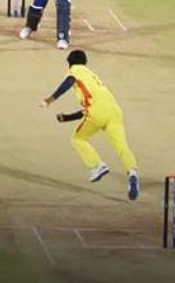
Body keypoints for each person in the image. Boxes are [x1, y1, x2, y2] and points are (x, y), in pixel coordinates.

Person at [39, 50, 140, 200]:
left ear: (69, 63)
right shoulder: (91, 75)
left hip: (96, 113)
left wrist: (50, 99)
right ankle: (132, 173)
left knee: (77, 139)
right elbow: (90, 107)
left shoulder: (75, 71)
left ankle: (97, 165)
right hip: (114, 111)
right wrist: (67, 118)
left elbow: (69, 82)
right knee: (122, 146)